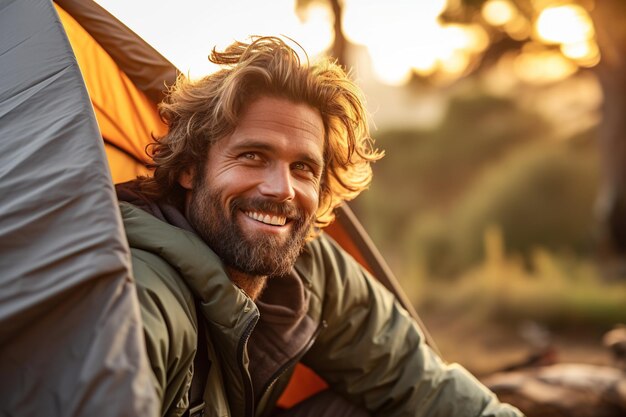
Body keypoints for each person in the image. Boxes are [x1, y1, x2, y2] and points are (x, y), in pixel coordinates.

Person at [116, 36, 523, 417]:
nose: (282, 190)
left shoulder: (308, 266)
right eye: (253, 156)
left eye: (303, 167)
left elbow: (422, 384)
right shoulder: (137, 297)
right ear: (189, 167)